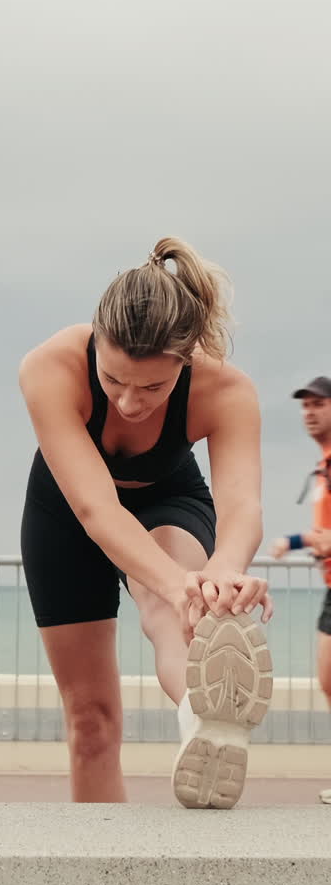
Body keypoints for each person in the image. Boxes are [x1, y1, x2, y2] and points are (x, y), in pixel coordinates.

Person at [19, 236, 273, 809]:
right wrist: (179, 580)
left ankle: (207, 728)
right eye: (113, 382)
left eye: (154, 387)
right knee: (90, 719)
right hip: (66, 512)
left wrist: (224, 575)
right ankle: (97, 872)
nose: (130, 403)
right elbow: (96, 509)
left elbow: (242, 508)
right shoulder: (48, 366)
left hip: (169, 501)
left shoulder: (226, 390)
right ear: (96, 346)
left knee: (169, 608)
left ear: (186, 363)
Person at [271, 375, 331, 802]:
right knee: (329, 680)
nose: (309, 412)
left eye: (319, 405)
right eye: (304, 405)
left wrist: (301, 542)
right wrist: (299, 541)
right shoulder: (323, 467)